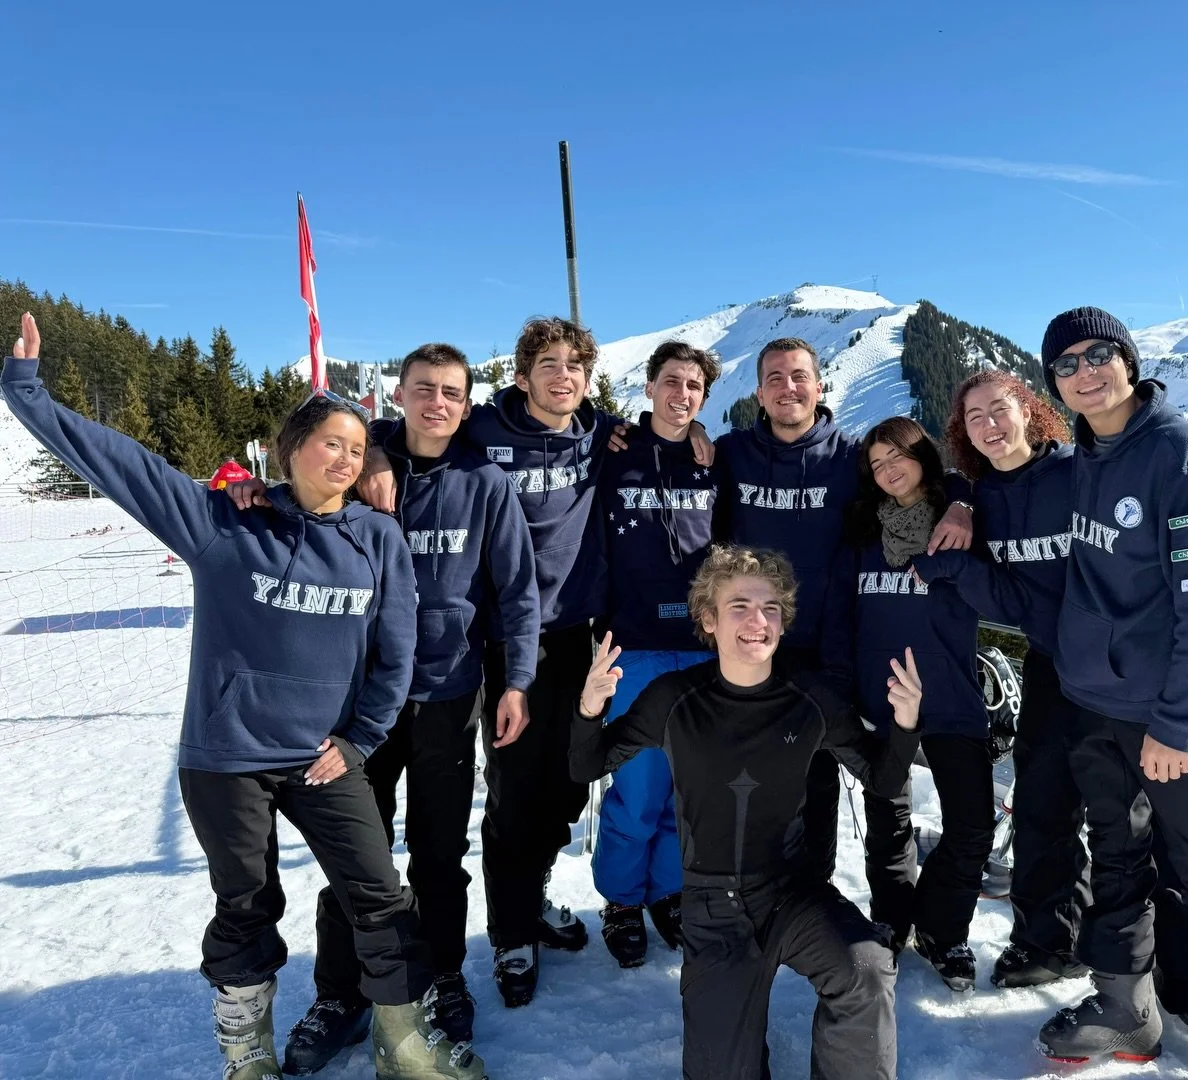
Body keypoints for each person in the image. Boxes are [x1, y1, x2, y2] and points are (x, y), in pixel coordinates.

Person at [2, 314, 485, 1080]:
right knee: (247, 905)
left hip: (323, 757)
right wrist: (28, 393)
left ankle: (402, 1044)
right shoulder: (223, 522)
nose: (345, 458)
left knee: (380, 895)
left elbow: (397, 655)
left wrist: (359, 739)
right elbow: (126, 465)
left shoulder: (376, 538)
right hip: (227, 758)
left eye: (357, 448)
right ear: (290, 447)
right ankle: (247, 1053)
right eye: (330, 443)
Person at [355, 317, 711, 1008]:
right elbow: (411, 426)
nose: (562, 376)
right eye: (548, 364)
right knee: (514, 791)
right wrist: (372, 451)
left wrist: (694, 430)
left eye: (575, 365)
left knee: (572, 781)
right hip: (500, 639)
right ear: (521, 377)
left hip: (579, 634)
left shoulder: (600, 432)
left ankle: (533, 890)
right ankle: (512, 931)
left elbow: (662, 429)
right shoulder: (483, 426)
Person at [1034, 308, 1188, 1080]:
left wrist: (1177, 722)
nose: (1085, 372)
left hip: (1169, 717)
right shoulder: (1085, 452)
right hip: (1095, 704)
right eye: (1066, 364)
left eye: (1098, 355)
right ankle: (1127, 1008)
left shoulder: (1178, 452)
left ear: (1130, 362)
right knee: (1117, 860)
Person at [280, 344, 541, 1072]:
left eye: (451, 393)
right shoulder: (361, 466)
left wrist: (517, 680)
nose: (437, 403)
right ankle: (341, 992)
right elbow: (296, 490)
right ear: (397, 395)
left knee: (438, 852)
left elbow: (517, 591)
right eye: (424, 389)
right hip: (359, 700)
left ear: (467, 404)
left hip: (446, 694)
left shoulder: (485, 484)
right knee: (353, 854)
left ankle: (441, 973)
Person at [570, 546, 923, 1080]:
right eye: (739, 606)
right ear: (709, 619)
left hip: (793, 893)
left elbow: (883, 779)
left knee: (866, 967)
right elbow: (587, 765)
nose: (758, 621)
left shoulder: (811, 698)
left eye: (770, 608)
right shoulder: (673, 699)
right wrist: (589, 709)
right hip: (713, 909)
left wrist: (905, 725)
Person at [711, 338, 972, 886]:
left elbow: (919, 474)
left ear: (819, 385)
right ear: (758, 393)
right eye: (775, 378)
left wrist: (962, 501)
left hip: (823, 655)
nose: (788, 387)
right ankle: (745, 897)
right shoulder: (731, 453)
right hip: (749, 654)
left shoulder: (848, 457)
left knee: (815, 788)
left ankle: (813, 900)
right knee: (740, 784)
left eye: (799, 376)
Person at [913, 370, 1091, 990]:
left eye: (999, 409)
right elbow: (1008, 599)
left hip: (1119, 669)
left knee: (1130, 822)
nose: (989, 425)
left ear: (1028, 410)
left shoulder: (1080, 472)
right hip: (1049, 666)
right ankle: (1047, 944)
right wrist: (961, 507)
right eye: (974, 418)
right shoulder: (982, 496)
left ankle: (1151, 964)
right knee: (1042, 809)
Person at [838, 417, 991, 991]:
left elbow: (980, 490)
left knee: (972, 826)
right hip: (881, 702)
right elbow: (842, 616)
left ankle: (941, 929)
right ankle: (892, 922)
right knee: (888, 823)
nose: (888, 470)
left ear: (922, 455)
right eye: (876, 464)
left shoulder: (960, 526)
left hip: (951, 698)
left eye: (896, 456)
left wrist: (963, 504)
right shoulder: (861, 534)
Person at [591, 341, 722, 968]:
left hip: (699, 648)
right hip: (634, 644)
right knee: (638, 787)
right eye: (672, 381)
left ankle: (669, 891)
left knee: (686, 788)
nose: (682, 394)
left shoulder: (712, 461)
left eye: (694, 386)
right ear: (648, 387)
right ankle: (621, 900)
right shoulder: (611, 450)